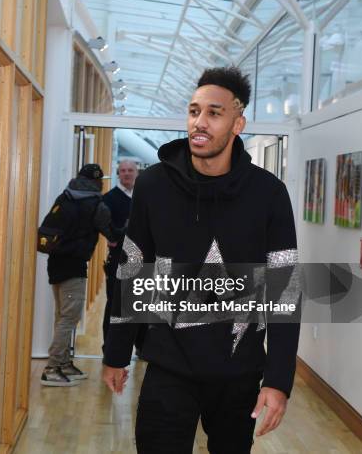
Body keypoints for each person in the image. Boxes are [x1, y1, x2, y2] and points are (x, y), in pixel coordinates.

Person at [102, 66, 301, 453]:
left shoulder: (270, 194)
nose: (200, 122)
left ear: (237, 123)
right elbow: (131, 271)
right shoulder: (153, 185)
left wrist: (278, 380)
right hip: (167, 366)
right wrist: (115, 352)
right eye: (194, 111)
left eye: (214, 112)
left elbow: (284, 290)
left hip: (239, 374)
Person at [41, 164, 119, 387]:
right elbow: (112, 236)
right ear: (98, 182)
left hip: (55, 262)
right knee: (69, 317)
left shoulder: (64, 197)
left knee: (62, 314)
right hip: (74, 265)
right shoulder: (96, 205)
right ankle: (52, 368)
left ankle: (64, 363)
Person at [102, 160, 138, 348]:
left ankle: (139, 346)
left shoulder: (142, 196)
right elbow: (103, 222)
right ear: (118, 174)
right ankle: (108, 346)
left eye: (130, 170)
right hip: (117, 257)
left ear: (136, 172)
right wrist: (112, 235)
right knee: (114, 302)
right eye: (123, 171)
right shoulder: (109, 198)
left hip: (141, 258)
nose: (126, 173)